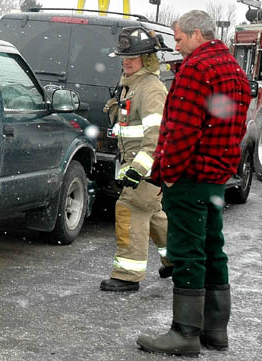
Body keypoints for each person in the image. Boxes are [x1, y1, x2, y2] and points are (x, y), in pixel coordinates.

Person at [136, 10, 251, 357]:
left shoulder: (196, 70)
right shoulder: (233, 69)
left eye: (180, 38)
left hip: (189, 177)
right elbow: (237, 127)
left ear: (198, 34)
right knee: (213, 250)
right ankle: (215, 331)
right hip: (215, 178)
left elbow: (182, 130)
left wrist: (167, 172)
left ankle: (184, 333)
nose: (177, 44)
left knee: (187, 252)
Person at [100, 27, 174, 292]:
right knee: (153, 214)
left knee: (129, 209)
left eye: (134, 56)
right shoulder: (132, 86)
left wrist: (138, 170)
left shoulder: (150, 89)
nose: (126, 61)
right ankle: (176, 260)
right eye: (124, 56)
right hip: (139, 166)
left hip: (144, 169)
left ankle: (127, 275)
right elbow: (129, 128)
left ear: (149, 59)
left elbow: (156, 137)